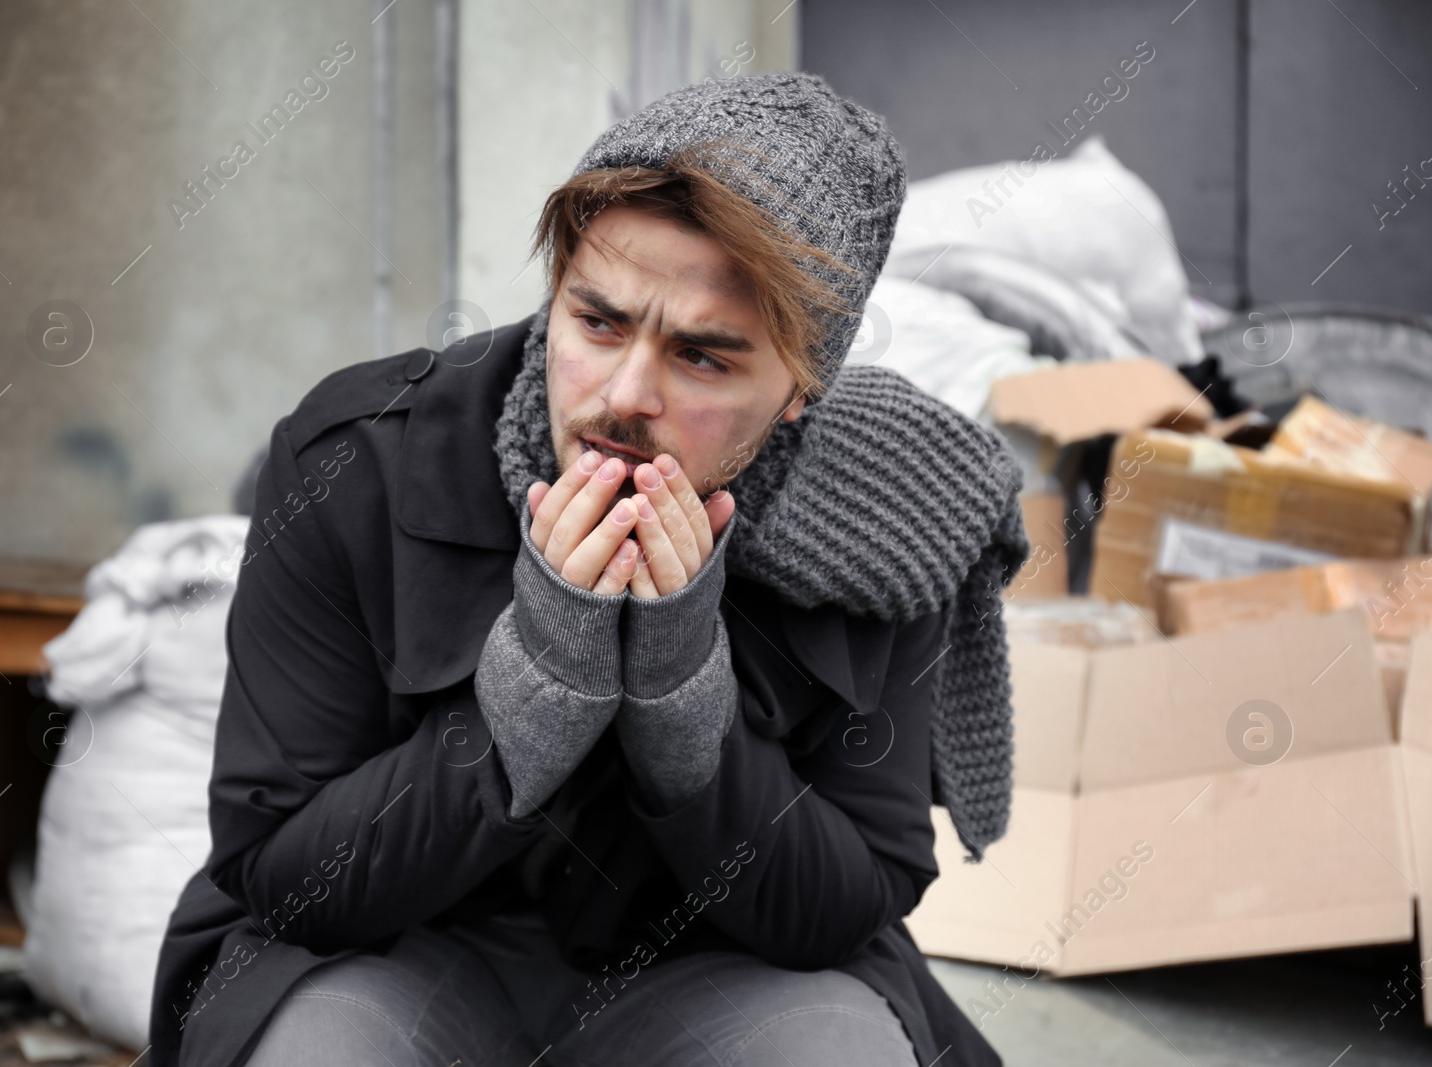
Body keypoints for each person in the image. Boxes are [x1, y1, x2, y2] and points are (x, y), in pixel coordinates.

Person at [149, 71, 1029, 1067]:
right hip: (395, 954)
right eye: (597, 321)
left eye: (703, 358)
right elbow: (282, 873)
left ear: (801, 390)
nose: (623, 395)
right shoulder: (359, 463)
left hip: (713, 972)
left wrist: (681, 691)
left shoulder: (896, 515)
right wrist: (538, 684)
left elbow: (837, 910)